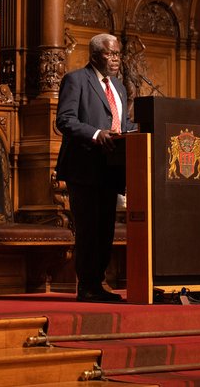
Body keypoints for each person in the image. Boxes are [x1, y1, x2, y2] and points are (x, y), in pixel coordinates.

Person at [55, 33, 136, 302]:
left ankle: (98, 283)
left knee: (105, 230)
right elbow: (65, 120)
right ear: (94, 55)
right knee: (88, 229)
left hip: (111, 168)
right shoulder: (76, 80)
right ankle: (87, 286)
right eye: (110, 54)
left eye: (117, 54)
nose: (115, 59)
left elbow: (121, 126)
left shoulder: (119, 88)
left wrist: (141, 130)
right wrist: (95, 133)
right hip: (85, 167)